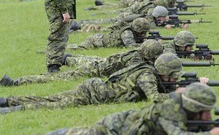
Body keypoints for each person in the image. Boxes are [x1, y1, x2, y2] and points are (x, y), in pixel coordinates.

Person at [17, 83, 219, 135]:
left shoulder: (182, 109)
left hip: (117, 127)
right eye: (206, 112)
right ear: (194, 108)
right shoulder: (169, 112)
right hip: (108, 131)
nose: (208, 116)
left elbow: (196, 124)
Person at [0, 53, 186, 114]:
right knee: (53, 105)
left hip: (93, 88)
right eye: (174, 75)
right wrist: (178, 94)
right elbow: (155, 98)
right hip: (92, 94)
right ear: (165, 72)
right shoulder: (147, 76)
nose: (176, 78)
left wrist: (175, 88)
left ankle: (7, 101)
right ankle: (10, 109)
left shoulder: (148, 73)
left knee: (50, 98)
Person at [0, 40, 163, 86]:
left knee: (84, 59)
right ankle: (16, 82)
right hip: (95, 71)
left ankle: (66, 58)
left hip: (101, 65)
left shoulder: (138, 54)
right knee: (58, 79)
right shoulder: (136, 60)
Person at [67, 18, 150, 50]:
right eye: (143, 32)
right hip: (95, 41)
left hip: (99, 40)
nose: (144, 35)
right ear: (137, 30)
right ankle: (64, 47)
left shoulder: (133, 33)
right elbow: (131, 46)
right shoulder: (127, 33)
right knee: (79, 49)